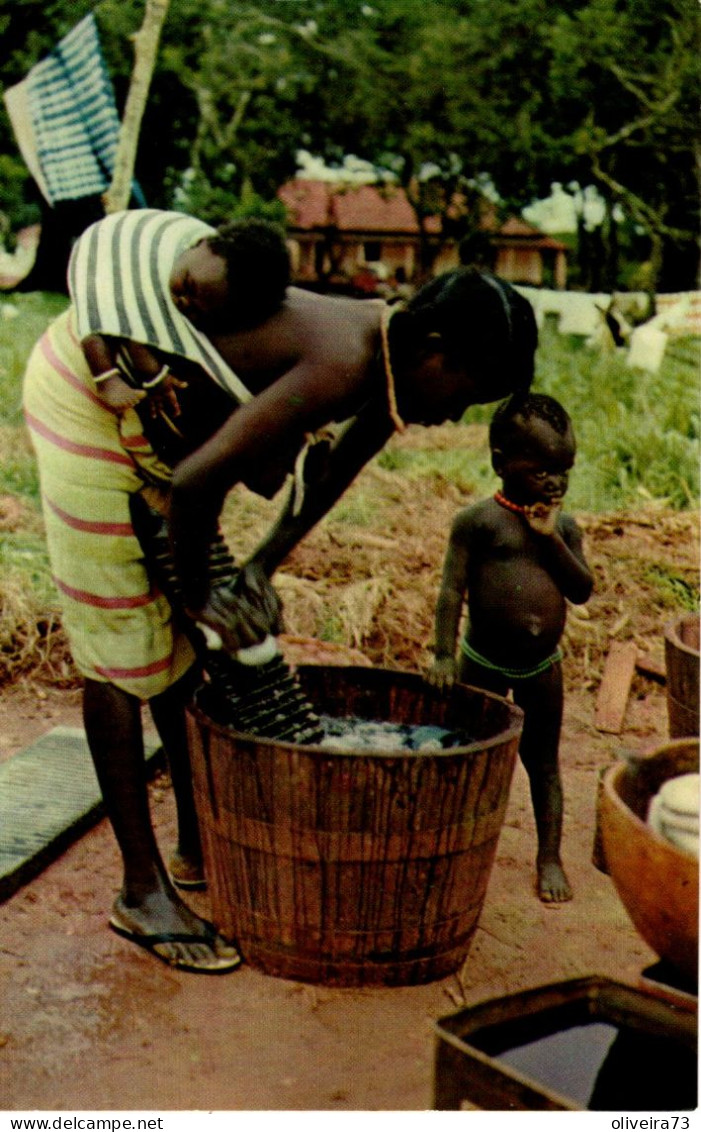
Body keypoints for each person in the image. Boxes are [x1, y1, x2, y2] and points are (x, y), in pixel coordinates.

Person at [24, 207, 538, 972]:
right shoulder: (340, 359)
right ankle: (141, 890)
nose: (454, 415)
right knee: (118, 644)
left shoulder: (387, 363)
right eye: (463, 391)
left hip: (162, 420)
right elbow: (201, 482)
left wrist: (262, 566)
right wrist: (202, 594)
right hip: (91, 402)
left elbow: (327, 477)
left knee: (180, 645)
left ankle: (198, 842)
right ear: (434, 350)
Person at [428, 393, 593, 903]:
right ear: (501, 463)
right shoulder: (478, 523)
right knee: (468, 757)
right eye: (541, 468)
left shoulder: (562, 528)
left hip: (542, 669)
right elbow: (452, 591)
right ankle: (451, 850)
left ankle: (549, 857)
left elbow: (582, 589)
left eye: (563, 469)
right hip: (481, 663)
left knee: (543, 763)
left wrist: (550, 540)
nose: (555, 480)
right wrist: (442, 654)